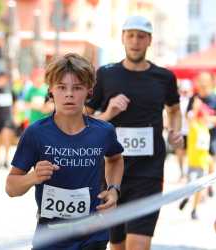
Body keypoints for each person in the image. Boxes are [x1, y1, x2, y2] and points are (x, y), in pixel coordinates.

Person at [5, 53, 124, 250]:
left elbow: (115, 158)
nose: (69, 94)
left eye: (77, 88)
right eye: (61, 87)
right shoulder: (36, 133)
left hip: (92, 234)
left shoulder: (103, 131)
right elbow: (11, 187)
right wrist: (33, 177)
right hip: (51, 237)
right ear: (51, 91)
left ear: (89, 91)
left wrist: (114, 189)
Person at [85, 15, 183, 250]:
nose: (135, 42)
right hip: (110, 173)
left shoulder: (164, 77)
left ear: (149, 40)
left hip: (148, 173)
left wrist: (175, 131)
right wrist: (108, 113)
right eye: (130, 36)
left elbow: (175, 110)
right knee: (117, 246)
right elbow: (83, 120)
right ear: (122, 38)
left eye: (141, 37)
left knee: (138, 245)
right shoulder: (106, 74)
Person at [187, 72, 216, 197]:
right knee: (200, 163)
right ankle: (200, 190)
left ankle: (208, 185)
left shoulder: (215, 98)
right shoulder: (194, 98)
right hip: (197, 136)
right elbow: (188, 116)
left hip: (212, 134)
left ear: (210, 83)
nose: (203, 84)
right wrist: (195, 110)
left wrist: (213, 120)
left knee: (210, 159)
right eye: (200, 81)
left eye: (205, 81)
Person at [179, 98, 211, 219]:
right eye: (205, 116)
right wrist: (197, 105)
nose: (207, 118)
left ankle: (194, 210)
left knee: (199, 188)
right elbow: (189, 117)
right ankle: (187, 198)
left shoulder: (206, 128)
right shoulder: (194, 127)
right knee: (190, 186)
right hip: (193, 163)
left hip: (203, 164)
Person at [175, 79, 193, 180]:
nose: (185, 92)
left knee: (189, 154)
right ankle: (182, 172)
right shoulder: (177, 100)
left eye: (186, 90)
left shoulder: (193, 100)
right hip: (180, 131)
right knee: (180, 153)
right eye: (183, 90)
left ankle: (188, 173)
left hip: (190, 132)